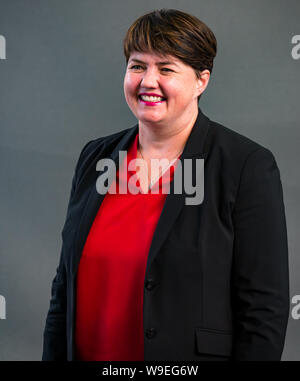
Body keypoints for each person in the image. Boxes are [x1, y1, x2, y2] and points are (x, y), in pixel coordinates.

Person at [42, 8, 290, 361]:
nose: (147, 81)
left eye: (167, 68)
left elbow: (264, 310)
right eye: (138, 65)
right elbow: (63, 287)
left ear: (201, 80)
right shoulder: (96, 157)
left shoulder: (245, 165)